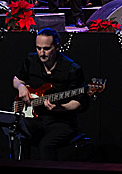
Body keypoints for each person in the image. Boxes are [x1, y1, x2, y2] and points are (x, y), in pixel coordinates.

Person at [13, 28, 88, 160]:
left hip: (62, 122)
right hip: (37, 118)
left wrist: (60, 108)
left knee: (45, 146)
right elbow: (17, 78)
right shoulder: (31, 60)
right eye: (38, 48)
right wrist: (21, 87)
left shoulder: (72, 69)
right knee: (18, 135)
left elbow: (80, 102)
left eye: (46, 49)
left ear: (57, 47)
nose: (41, 53)